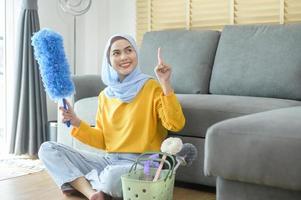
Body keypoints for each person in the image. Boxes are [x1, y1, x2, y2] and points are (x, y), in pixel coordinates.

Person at [38, 34, 185, 200]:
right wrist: (76, 121)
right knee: (48, 149)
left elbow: (175, 124)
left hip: (142, 163)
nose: (124, 57)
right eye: (116, 53)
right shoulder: (105, 96)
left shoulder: (152, 87)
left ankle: (83, 183)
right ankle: (93, 193)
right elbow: (103, 140)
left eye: (129, 50)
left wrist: (165, 83)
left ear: (136, 53)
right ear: (108, 60)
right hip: (109, 160)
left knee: (111, 176)